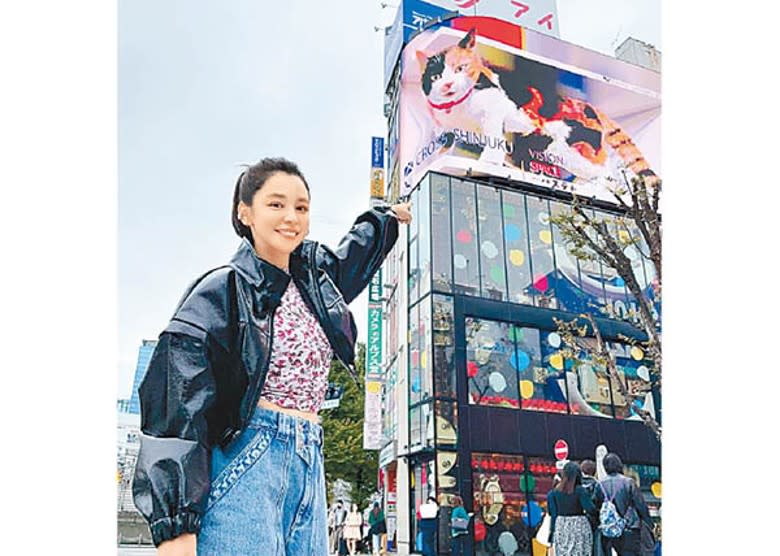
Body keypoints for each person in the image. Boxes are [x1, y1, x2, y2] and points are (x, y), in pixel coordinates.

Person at [131, 157, 411, 555]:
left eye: (301, 207)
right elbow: (177, 408)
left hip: (309, 458)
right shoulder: (221, 290)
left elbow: (355, 254)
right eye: (276, 204)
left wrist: (387, 218)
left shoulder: (315, 284)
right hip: (247, 460)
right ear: (245, 212)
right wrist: (176, 526)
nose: (291, 217)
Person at [593, 453, 652, 556]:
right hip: (629, 527)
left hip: (609, 529)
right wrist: (649, 523)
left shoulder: (600, 484)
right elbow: (640, 505)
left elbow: (596, 505)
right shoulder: (628, 482)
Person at [546, 461, 597, 556]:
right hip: (579, 525)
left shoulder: (554, 493)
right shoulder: (580, 491)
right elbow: (590, 509)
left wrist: (551, 534)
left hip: (561, 525)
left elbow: (551, 513)